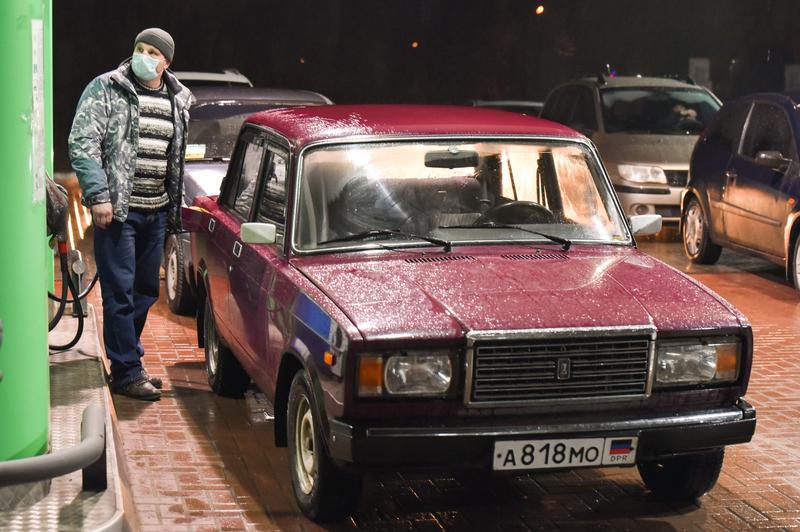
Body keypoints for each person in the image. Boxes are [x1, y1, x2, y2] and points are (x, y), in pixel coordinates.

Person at [68, 28, 193, 400]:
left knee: (145, 291)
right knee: (119, 293)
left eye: (153, 52)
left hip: (156, 212)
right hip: (118, 213)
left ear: (166, 62)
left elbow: (175, 156)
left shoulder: (178, 99)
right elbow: (82, 142)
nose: (144, 56)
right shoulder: (107, 88)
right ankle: (125, 371)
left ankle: (129, 360)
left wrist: (174, 210)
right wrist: (98, 195)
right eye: (140, 48)